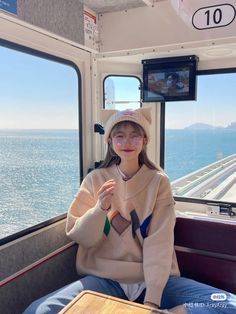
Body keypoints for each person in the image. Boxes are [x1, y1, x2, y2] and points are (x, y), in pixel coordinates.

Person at [23, 108, 236, 313]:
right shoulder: (94, 179)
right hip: (106, 279)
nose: (127, 142)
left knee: (229, 304)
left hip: (155, 281)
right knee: (39, 310)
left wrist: (152, 302)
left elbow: (158, 242)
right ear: (109, 141)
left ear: (145, 141)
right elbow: (82, 237)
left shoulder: (158, 182)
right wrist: (100, 209)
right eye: (119, 135)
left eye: (135, 136)